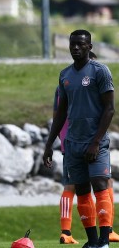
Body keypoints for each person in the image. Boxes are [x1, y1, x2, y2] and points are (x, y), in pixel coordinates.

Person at [43, 30, 115, 248]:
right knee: (82, 190)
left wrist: (95, 142)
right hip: (73, 144)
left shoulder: (100, 71)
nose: (75, 48)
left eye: (80, 44)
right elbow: (61, 114)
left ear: (89, 47)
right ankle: (92, 241)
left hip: (95, 143)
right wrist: (49, 145)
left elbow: (110, 110)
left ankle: (104, 240)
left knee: (100, 184)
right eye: (72, 44)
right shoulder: (64, 75)